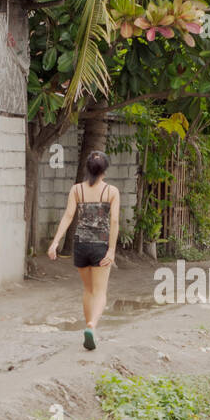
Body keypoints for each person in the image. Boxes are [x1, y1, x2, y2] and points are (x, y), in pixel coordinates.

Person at [47, 150, 120, 351]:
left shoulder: (77, 190)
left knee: (88, 290)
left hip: (80, 245)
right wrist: (111, 250)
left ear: (88, 169)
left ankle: (90, 332)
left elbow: (68, 216)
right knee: (100, 292)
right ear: (105, 170)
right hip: (100, 246)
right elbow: (114, 221)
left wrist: (55, 243)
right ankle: (91, 326)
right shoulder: (111, 191)